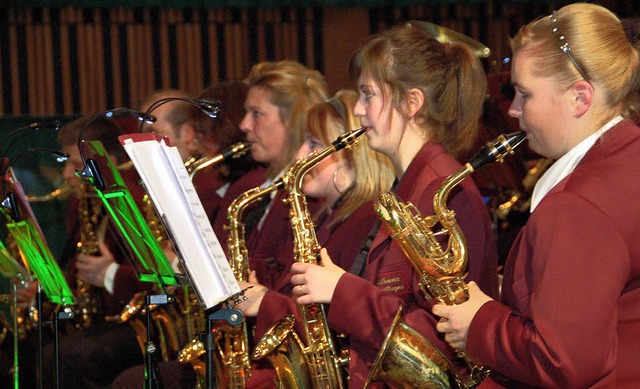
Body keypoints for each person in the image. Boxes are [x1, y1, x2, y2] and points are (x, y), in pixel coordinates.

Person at [432, 3, 640, 388]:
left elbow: (564, 362)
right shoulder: (628, 154)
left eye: (524, 94)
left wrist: (479, 324)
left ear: (580, 97)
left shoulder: (577, 205)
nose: (512, 109)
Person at [289, 24, 499, 388]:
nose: (357, 109)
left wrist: (341, 290)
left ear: (411, 102)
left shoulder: (442, 195)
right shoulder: (409, 186)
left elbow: (440, 334)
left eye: (368, 94)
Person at [237, 89, 394, 387]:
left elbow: (334, 328)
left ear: (352, 157)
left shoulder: (365, 221)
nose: (299, 156)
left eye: (314, 144)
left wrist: (265, 302)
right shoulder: (328, 216)